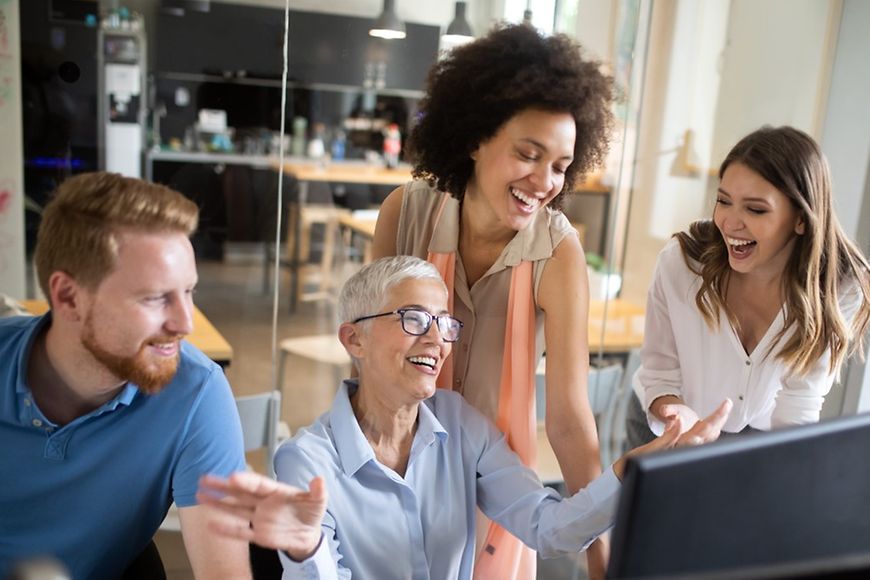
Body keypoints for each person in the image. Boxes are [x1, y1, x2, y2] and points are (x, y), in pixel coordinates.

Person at [197, 255, 732, 579]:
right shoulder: (307, 462)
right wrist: (306, 547)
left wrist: (636, 469)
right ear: (353, 338)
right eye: (412, 319)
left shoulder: (461, 425)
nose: (436, 340)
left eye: (444, 324)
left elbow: (550, 530)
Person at [370, 24, 614, 577]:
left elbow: (571, 419)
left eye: (560, 165)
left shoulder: (557, 253)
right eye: (528, 154)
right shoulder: (403, 214)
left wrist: (598, 555)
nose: (545, 181)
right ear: (476, 137)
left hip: (497, 495)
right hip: (392, 476)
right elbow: (366, 360)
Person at [0, 173, 251, 579]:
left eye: (189, 291)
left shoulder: (195, 393)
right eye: (155, 298)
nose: (185, 323)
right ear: (68, 297)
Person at [628, 126, 870, 447]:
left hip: (758, 438)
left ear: (801, 218)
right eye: (723, 201)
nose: (729, 222)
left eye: (755, 209)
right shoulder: (682, 264)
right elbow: (659, 373)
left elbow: (800, 401)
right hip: (666, 424)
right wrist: (678, 417)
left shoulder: (837, 287)